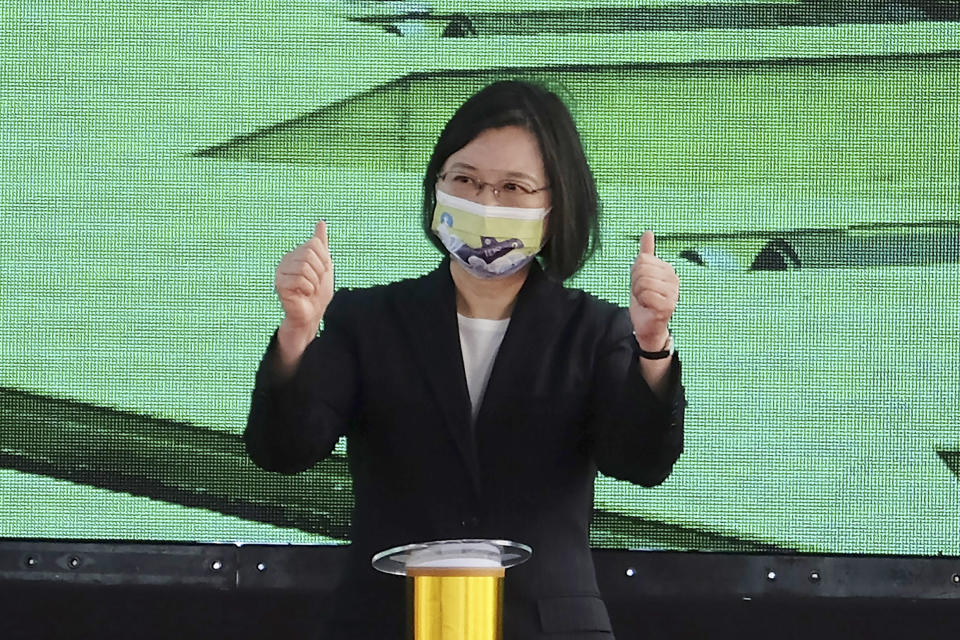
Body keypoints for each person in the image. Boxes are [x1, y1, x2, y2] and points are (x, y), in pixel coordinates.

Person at [245, 80, 686, 640]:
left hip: (547, 626)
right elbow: (282, 452)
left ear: (555, 207)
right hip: (389, 620)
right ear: (437, 188)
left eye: (513, 188)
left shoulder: (593, 330)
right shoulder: (370, 319)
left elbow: (642, 463)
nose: (485, 204)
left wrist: (652, 342)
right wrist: (298, 331)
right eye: (466, 181)